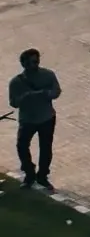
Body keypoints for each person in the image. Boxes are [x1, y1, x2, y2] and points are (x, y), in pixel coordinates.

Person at [9, 48, 60, 190]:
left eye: (36, 61)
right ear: (23, 63)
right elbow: (13, 102)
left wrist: (46, 93)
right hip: (27, 120)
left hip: (47, 117)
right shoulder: (16, 82)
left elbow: (56, 91)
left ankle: (43, 176)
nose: (34, 65)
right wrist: (24, 98)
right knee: (22, 146)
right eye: (31, 62)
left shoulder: (48, 75)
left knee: (45, 147)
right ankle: (29, 173)